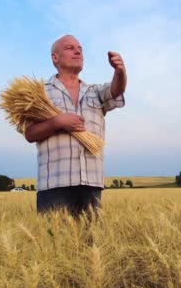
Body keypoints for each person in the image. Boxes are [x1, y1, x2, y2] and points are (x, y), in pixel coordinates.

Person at [21, 34, 127, 219]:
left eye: (80, 48)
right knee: (54, 244)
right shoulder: (39, 93)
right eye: (70, 48)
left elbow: (115, 90)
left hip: (91, 182)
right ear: (55, 57)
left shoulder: (94, 91)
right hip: (54, 184)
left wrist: (120, 72)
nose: (78, 51)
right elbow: (29, 134)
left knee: (89, 244)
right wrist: (56, 122)